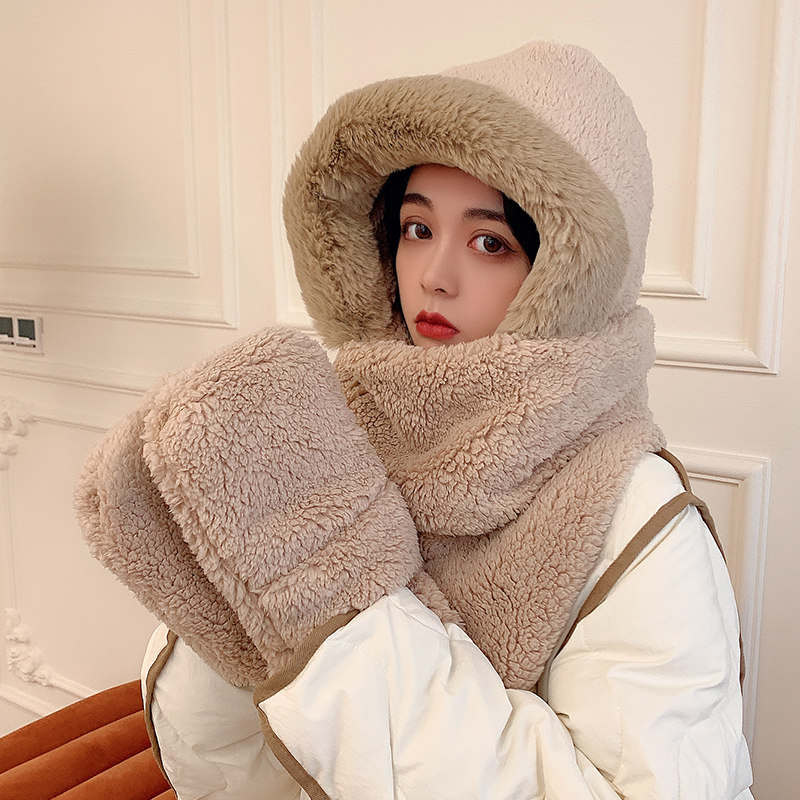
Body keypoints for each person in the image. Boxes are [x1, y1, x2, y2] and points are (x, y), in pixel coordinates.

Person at [77, 41, 754, 798]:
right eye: (416, 229)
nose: (434, 275)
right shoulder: (324, 433)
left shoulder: (633, 516)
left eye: (490, 242)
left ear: (567, 273)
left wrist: (337, 596)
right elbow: (227, 767)